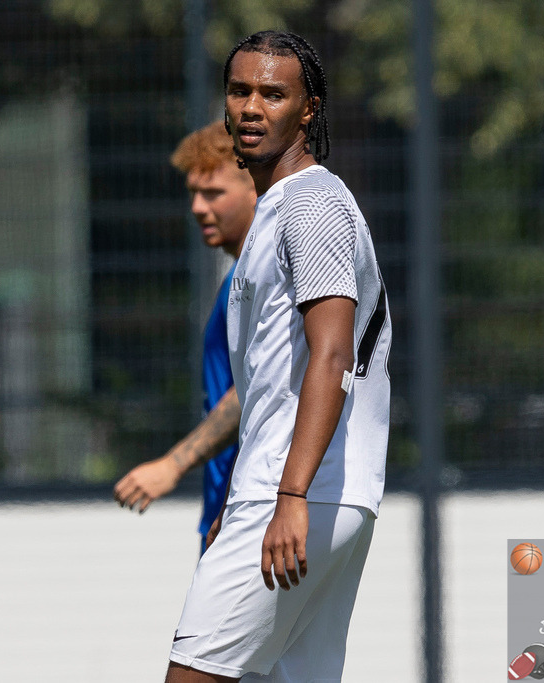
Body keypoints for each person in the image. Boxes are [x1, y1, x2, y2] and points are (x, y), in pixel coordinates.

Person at [166, 30, 392, 683]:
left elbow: (332, 356)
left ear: (308, 110)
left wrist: (286, 495)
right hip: (312, 495)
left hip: (296, 493)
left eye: (274, 93)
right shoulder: (278, 210)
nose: (252, 107)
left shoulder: (311, 203)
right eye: (240, 91)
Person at [113, 122, 257, 553]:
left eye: (213, 193)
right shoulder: (237, 278)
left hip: (252, 516)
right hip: (228, 512)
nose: (197, 207)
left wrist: (172, 465)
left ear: (257, 192)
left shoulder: (259, 279)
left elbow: (256, 385)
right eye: (193, 193)